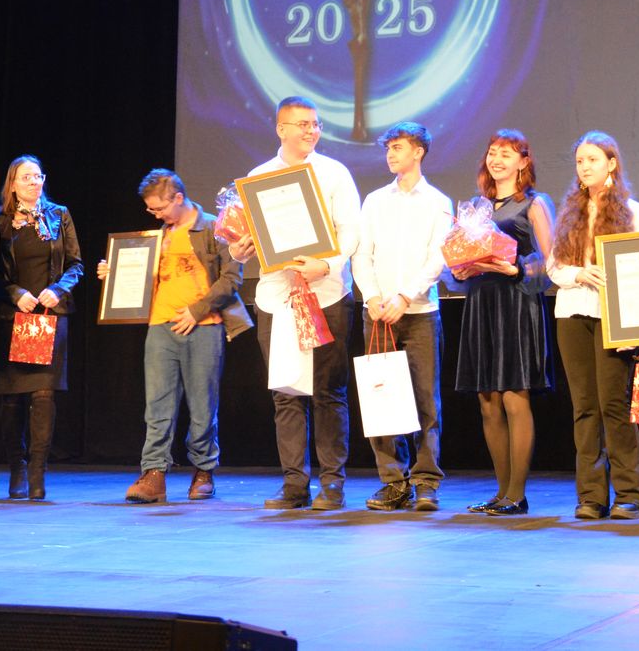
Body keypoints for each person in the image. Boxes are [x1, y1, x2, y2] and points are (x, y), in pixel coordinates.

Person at [227, 95, 361, 511]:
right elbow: (246, 239)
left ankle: (332, 482)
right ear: (280, 129)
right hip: (277, 298)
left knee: (328, 391)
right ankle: (294, 484)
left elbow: (351, 230)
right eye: (302, 124)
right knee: (286, 393)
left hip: (326, 294)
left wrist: (327, 263)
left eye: (316, 124)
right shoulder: (259, 178)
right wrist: (238, 250)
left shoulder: (334, 172)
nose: (311, 130)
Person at [105, 169, 249, 505]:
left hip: (204, 325)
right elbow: (142, 278)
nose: (155, 215)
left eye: (159, 208)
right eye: (151, 209)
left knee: (202, 405)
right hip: (161, 325)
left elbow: (232, 277)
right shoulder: (156, 236)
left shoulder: (214, 227)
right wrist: (114, 274)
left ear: (179, 198)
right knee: (157, 405)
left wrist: (196, 311)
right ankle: (154, 473)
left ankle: (203, 470)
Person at [547, 131, 639, 520]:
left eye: (593, 159)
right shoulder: (569, 212)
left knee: (614, 405)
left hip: (614, 317)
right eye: (580, 161)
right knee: (584, 407)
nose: (585, 167)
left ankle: (630, 494)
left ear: (611, 163)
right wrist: (578, 273)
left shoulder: (633, 211)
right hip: (572, 313)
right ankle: (591, 494)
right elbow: (554, 267)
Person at [452, 129, 555, 516]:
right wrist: (459, 270)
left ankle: (517, 494)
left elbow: (549, 261)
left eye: (507, 154)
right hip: (482, 303)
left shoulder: (533, 203)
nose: (497, 159)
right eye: (492, 152)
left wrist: (516, 269)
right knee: (488, 402)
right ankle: (500, 492)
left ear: (523, 161)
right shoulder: (477, 207)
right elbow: (459, 258)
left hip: (516, 303)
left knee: (514, 397)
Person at [351, 122, 453, 512]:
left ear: (418, 151)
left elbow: (437, 258)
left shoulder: (437, 202)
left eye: (397, 147)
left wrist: (405, 295)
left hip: (420, 312)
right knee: (382, 397)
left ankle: (425, 480)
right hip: (378, 314)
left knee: (426, 399)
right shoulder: (375, 200)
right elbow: (362, 254)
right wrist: (373, 296)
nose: (391, 154)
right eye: (388, 148)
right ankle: (393, 481)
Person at [0, 155, 83, 502]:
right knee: (12, 398)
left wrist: (58, 290)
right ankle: (18, 466)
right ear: (12, 184)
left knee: (43, 395)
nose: (34, 182)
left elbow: (75, 264)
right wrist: (15, 294)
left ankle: (39, 471)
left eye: (38, 176)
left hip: (50, 317)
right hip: (14, 318)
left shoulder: (59, 215)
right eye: (26, 177)